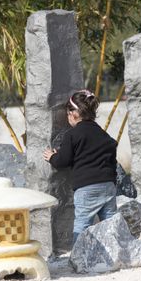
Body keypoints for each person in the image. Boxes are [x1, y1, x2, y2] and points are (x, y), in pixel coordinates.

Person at [43, 89, 118, 245]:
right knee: (111, 223)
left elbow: (63, 161)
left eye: (67, 114)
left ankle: (78, 255)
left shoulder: (72, 135)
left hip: (86, 188)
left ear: (73, 114)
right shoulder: (102, 134)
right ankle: (116, 250)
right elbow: (111, 149)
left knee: (82, 223)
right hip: (108, 185)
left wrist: (53, 157)